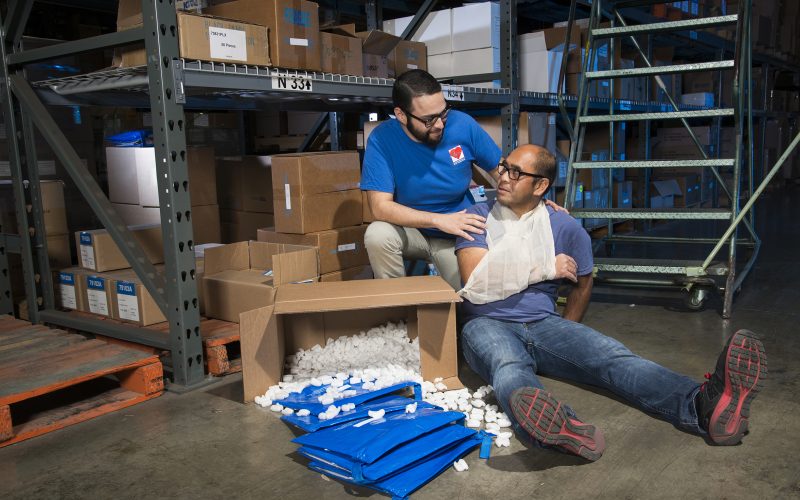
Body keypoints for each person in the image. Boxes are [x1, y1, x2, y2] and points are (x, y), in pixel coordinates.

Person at [455, 144, 767, 461]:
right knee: (508, 367)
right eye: (504, 167)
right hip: (485, 322)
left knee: (613, 358)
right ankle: (558, 430)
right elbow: (475, 277)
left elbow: (583, 283)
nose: (503, 177)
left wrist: (566, 332)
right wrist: (546, 267)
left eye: (516, 172)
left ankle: (703, 405)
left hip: (544, 324)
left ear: (541, 186)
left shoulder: (565, 227)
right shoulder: (477, 217)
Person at [360, 69, 502, 290]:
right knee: (378, 234)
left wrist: (532, 199)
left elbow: (501, 172)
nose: (439, 125)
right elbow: (379, 208)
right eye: (428, 119)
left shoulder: (463, 125)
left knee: (471, 299)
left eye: (443, 113)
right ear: (401, 115)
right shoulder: (382, 140)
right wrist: (438, 220)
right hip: (411, 232)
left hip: (457, 235)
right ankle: (399, 312)